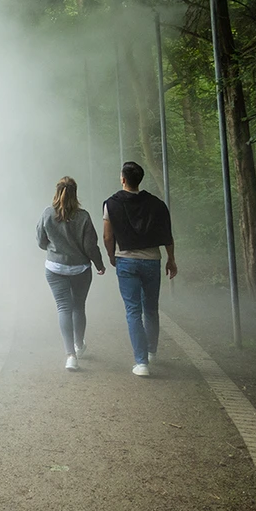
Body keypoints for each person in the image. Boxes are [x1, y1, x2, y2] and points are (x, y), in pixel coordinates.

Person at [102, 161, 176, 377]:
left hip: (126, 261)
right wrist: (171, 259)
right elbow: (167, 234)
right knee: (151, 309)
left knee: (133, 311)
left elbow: (107, 236)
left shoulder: (111, 204)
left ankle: (141, 362)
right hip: (152, 260)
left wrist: (111, 255)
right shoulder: (157, 204)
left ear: (123, 179)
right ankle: (151, 352)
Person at [36, 176, 106, 371]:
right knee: (78, 307)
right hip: (80, 269)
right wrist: (99, 264)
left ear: (57, 192)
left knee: (63, 308)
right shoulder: (83, 217)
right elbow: (90, 246)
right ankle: (79, 345)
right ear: (75, 193)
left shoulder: (47, 213)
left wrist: (54, 248)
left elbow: (40, 241)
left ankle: (70, 356)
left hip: (55, 268)